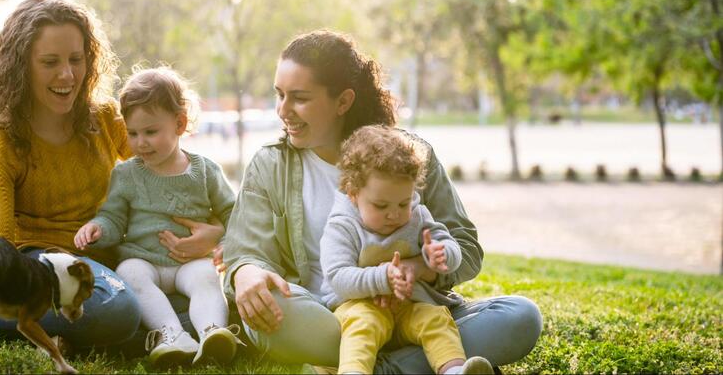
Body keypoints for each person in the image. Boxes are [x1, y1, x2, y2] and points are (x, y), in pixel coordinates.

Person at [0, 0, 222, 351]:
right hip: (33, 266)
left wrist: (213, 232)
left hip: (111, 266)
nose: (68, 74)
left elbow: (173, 165)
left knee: (206, 302)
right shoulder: (1, 139)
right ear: (21, 66)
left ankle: (101, 333)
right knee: (120, 311)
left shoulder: (105, 119)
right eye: (50, 62)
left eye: (76, 59)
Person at [222, 29, 542, 373]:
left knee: (521, 316)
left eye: (299, 97)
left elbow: (465, 247)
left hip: (416, 309)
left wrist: (414, 270)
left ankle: (365, 367)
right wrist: (245, 272)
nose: (283, 110)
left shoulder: (408, 157)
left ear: (343, 101)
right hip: (333, 319)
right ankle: (424, 366)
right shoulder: (270, 165)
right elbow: (245, 249)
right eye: (280, 95)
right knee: (265, 314)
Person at [74, 66, 240, 366]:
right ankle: (171, 335)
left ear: (179, 123)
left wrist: (226, 242)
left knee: (206, 279)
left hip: (189, 263)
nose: (140, 143)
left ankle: (212, 331)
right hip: (144, 259)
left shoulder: (204, 171)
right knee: (130, 273)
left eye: (151, 132)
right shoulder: (126, 174)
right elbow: (114, 217)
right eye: (133, 133)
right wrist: (98, 228)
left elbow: (232, 212)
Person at [321, 125, 493, 375]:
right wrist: (384, 278)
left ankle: (454, 371)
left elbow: (452, 248)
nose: (394, 214)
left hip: (409, 307)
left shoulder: (418, 215)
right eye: (381, 206)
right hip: (359, 307)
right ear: (353, 194)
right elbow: (337, 278)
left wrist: (441, 254)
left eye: (404, 202)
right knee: (362, 326)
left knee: (436, 318)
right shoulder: (342, 225)